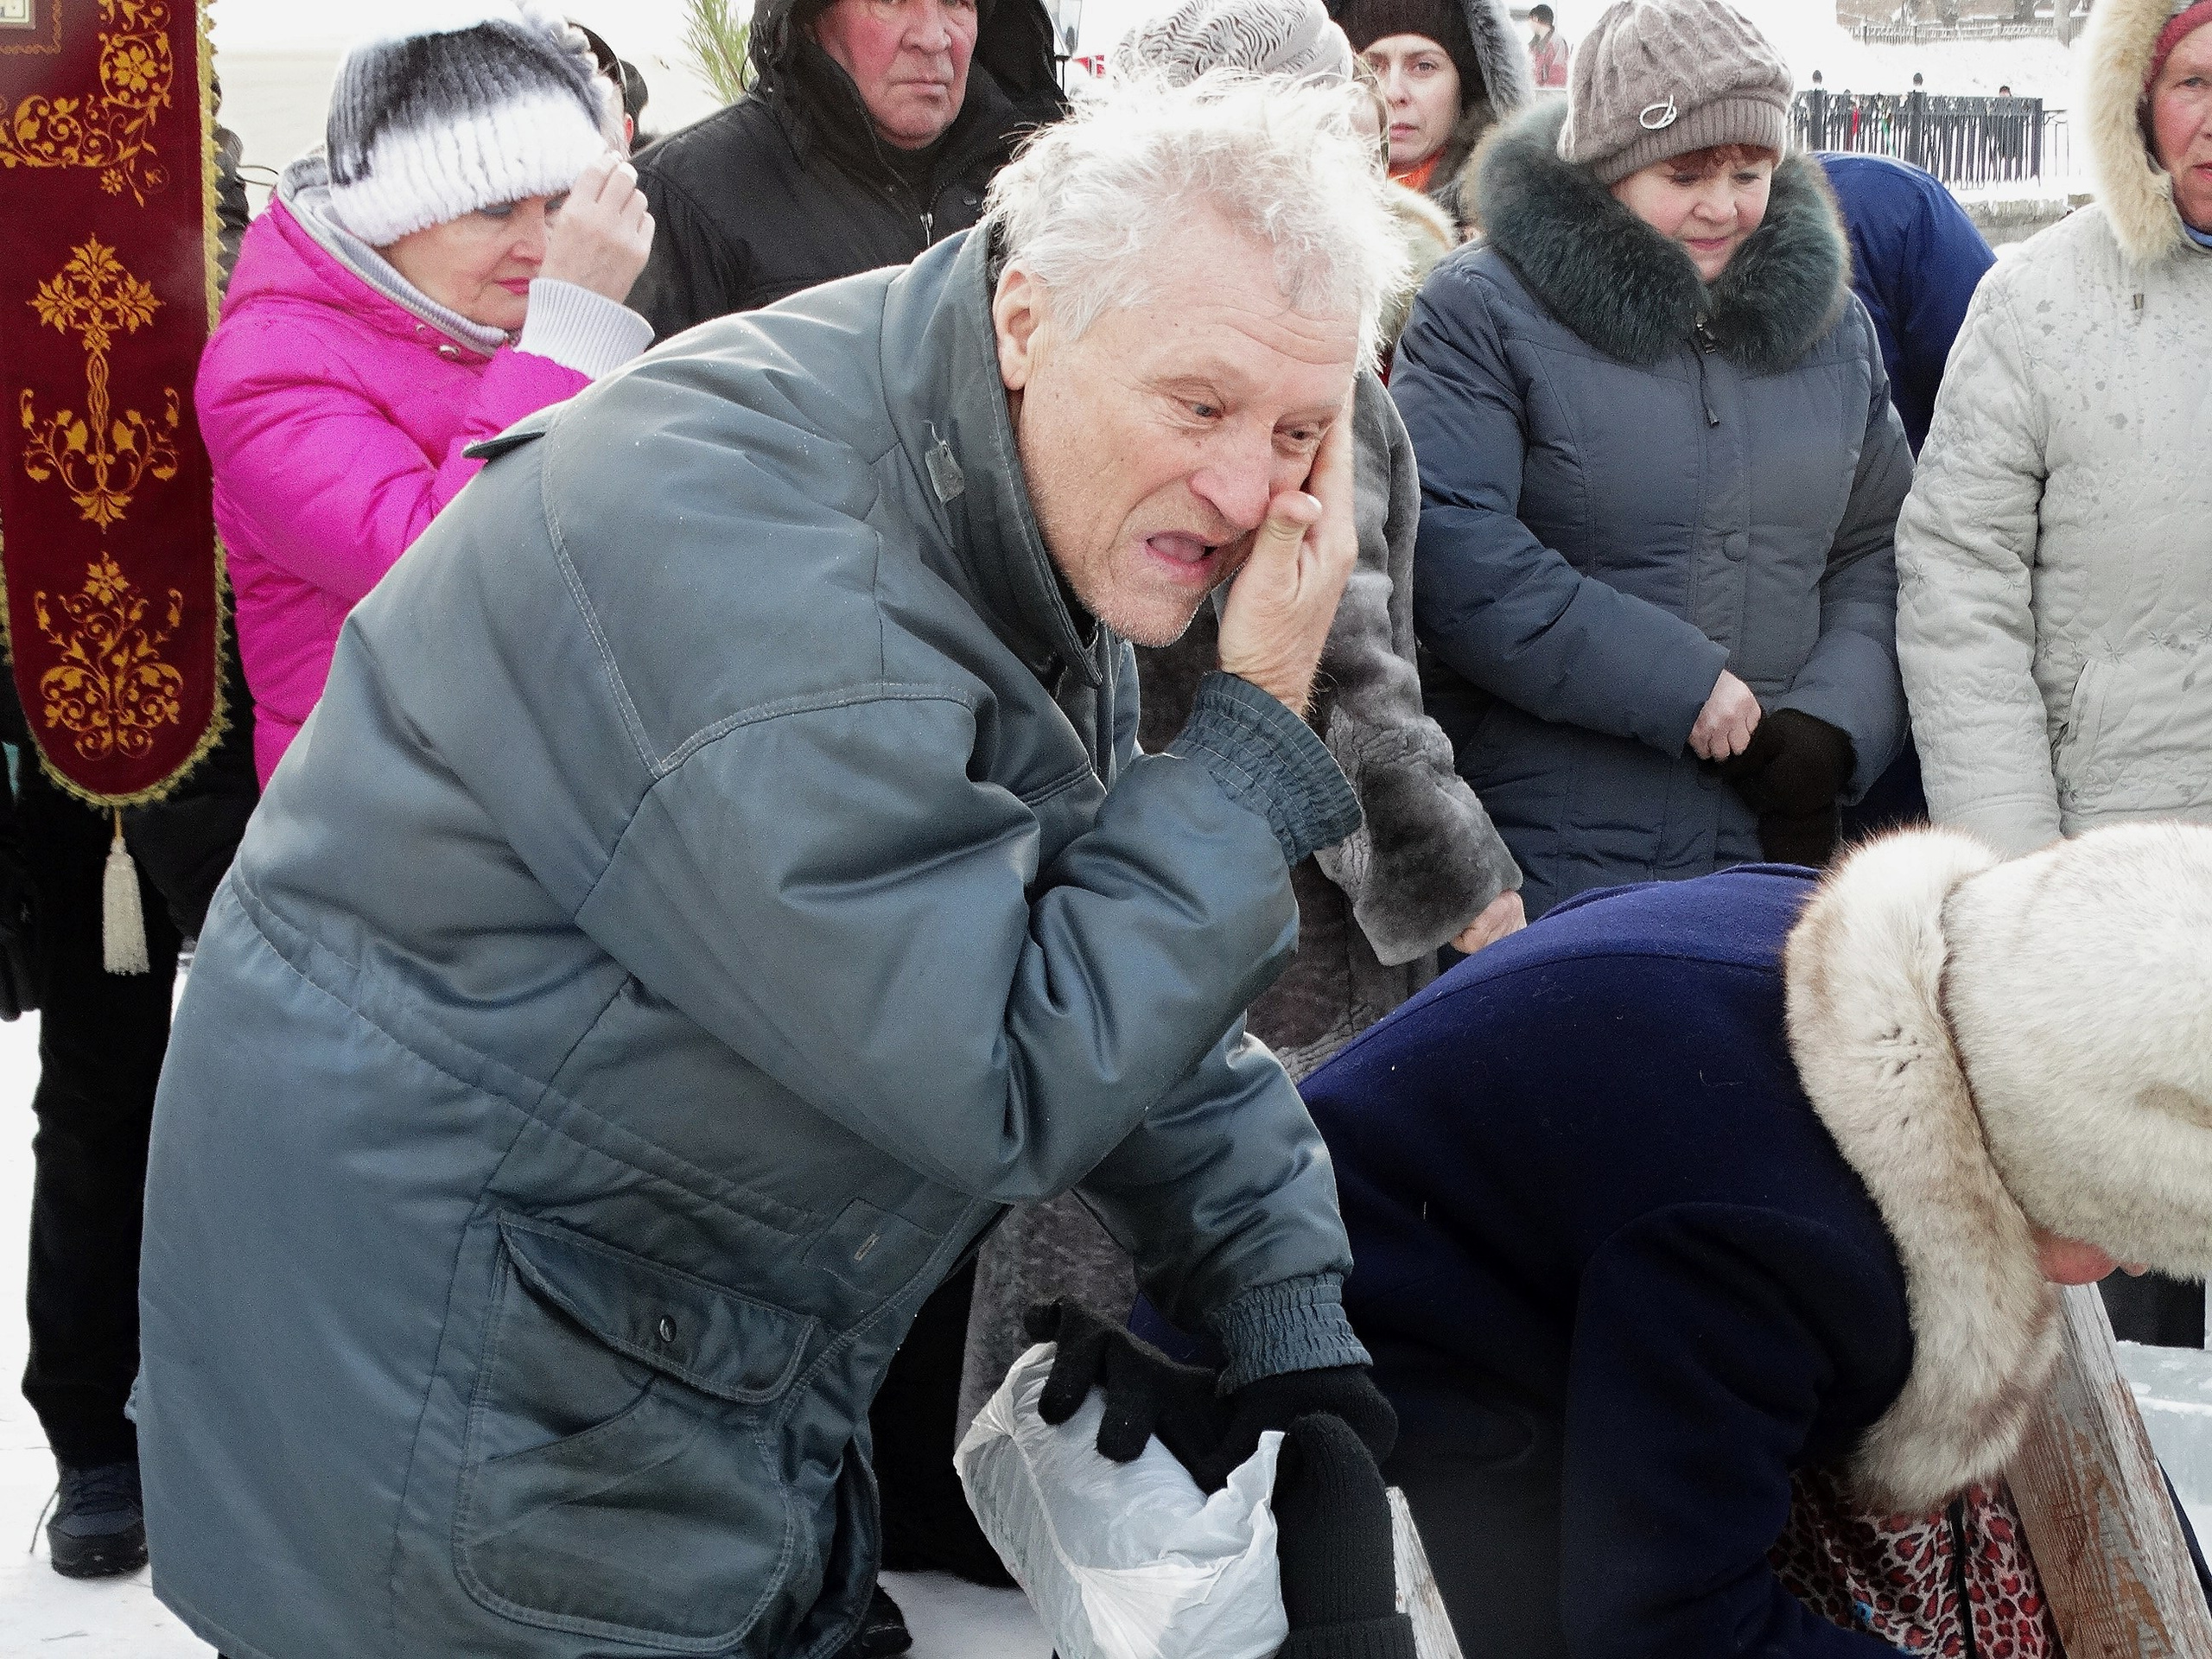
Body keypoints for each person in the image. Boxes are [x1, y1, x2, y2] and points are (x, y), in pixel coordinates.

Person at [135, 76, 1410, 1659]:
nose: (1245, 495)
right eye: (1199, 407)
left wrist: (1283, 1305)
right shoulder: (783, 575)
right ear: (1029, 320)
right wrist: (1254, 731)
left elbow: (1069, 894)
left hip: (646, 1337)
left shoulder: (977, 456)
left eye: (1297, 432)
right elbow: (1005, 1066)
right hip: (470, 1424)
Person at [951, 0, 1526, 1515]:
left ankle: (1032, 1472)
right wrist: (1457, 877)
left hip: (1121, 836)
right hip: (1270, 876)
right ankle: (1171, 1488)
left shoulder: (1126, 348)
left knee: (1089, 1166)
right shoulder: (1325, 394)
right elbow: (1348, 669)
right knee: (1208, 1182)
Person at [1305, 822, 2212, 1657]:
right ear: (2054, 1153)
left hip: (1456, 1244)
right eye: (2124, 1231)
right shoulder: (1790, 1242)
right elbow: (1666, 1626)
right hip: (1333, 1371)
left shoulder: (1860, 957)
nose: (2134, 1267)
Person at [1395, 0, 1913, 918]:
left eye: (1748, 172)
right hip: (1552, 842)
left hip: (1774, 841)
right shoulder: (1481, 309)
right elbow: (1453, 544)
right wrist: (1680, 685)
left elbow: (1875, 549)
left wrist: (1832, 724)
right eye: (1685, 174)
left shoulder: (1837, 332)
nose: (1722, 206)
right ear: (1609, 167)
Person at [1896, 0, 2212, 1347]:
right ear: (2138, 101)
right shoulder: (2034, 304)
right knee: (2128, 1296)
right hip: (2110, 897)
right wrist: (2019, 880)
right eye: (2197, 81)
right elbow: (1958, 588)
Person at [196, 3, 654, 785]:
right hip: (383, 814)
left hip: (532, 791)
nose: (540, 248)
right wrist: (569, 338)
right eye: (496, 207)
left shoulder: (488, 320)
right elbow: (436, 575)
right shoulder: (267, 365)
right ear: (390, 214)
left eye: (555, 206)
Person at [626, 0, 1065, 336]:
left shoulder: (1046, 185)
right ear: (811, 19)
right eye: (891, 0)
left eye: (956, 1)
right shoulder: (680, 200)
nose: (933, 38)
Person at [1338, 0, 1532, 229]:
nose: (1393, 92)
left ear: (1467, 87)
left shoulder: (1516, 225)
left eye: (1423, 67)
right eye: (1371, 67)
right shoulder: (1299, 213)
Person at [1527, 3, 1567, 86]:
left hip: (1550, 96)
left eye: (1529, 20)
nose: (1529, 25)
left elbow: (1558, 76)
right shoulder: (1533, 46)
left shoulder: (1556, 41)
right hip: (1536, 95)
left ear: (1536, 19)